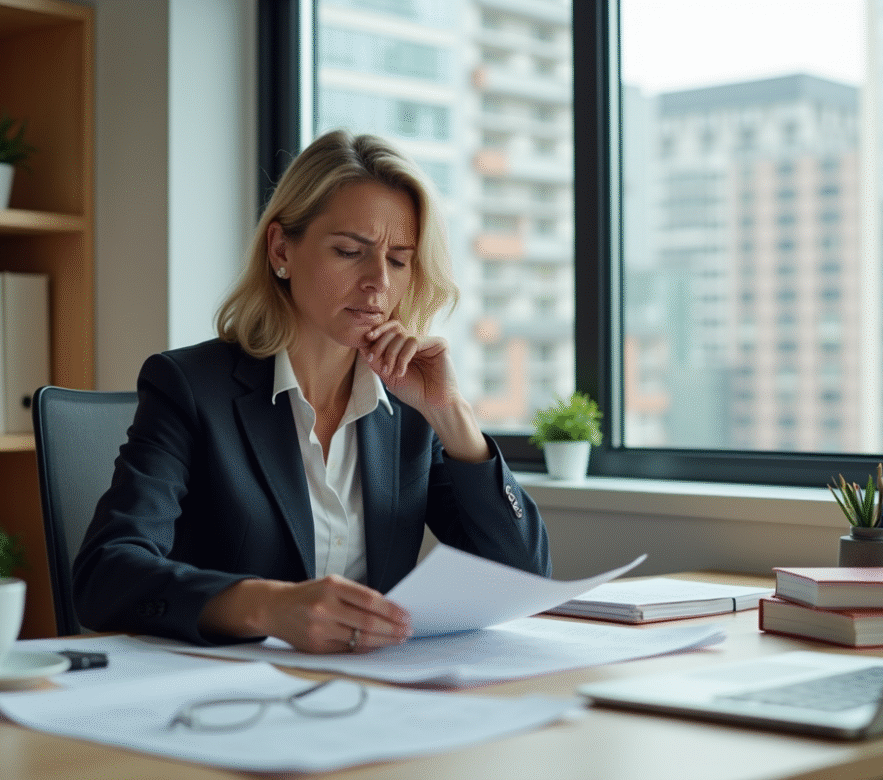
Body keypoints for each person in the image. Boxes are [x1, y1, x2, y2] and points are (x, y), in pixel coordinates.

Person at [72, 129, 551, 654]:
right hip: (228, 700)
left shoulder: (410, 408)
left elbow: (522, 579)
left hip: (372, 696)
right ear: (281, 249)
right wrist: (266, 606)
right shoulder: (189, 388)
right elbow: (105, 576)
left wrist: (453, 418)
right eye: (350, 251)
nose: (378, 283)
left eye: (398, 259)